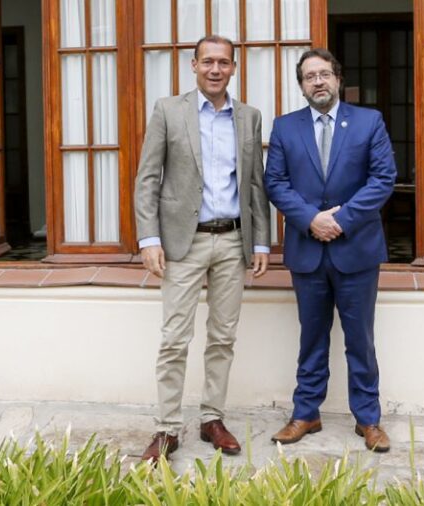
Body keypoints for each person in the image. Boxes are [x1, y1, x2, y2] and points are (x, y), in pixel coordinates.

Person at [134, 35, 270, 462]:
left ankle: (212, 419)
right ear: (193, 65)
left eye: (223, 63)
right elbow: (148, 178)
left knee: (223, 337)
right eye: (208, 61)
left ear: (234, 68)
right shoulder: (168, 111)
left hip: (232, 240)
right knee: (175, 338)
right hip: (183, 243)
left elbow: (255, 183)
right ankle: (167, 428)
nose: (215, 69)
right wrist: (149, 238)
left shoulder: (249, 117)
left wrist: (260, 241)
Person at [264, 48, 396, 452]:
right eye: (309, 76)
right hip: (307, 251)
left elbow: (383, 178)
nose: (317, 81)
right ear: (301, 86)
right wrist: (311, 219)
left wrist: (340, 220)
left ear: (338, 78)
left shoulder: (369, 122)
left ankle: (368, 419)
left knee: (360, 340)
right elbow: (275, 183)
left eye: (324, 74)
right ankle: (306, 413)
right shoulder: (285, 127)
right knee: (312, 338)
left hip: (356, 250)